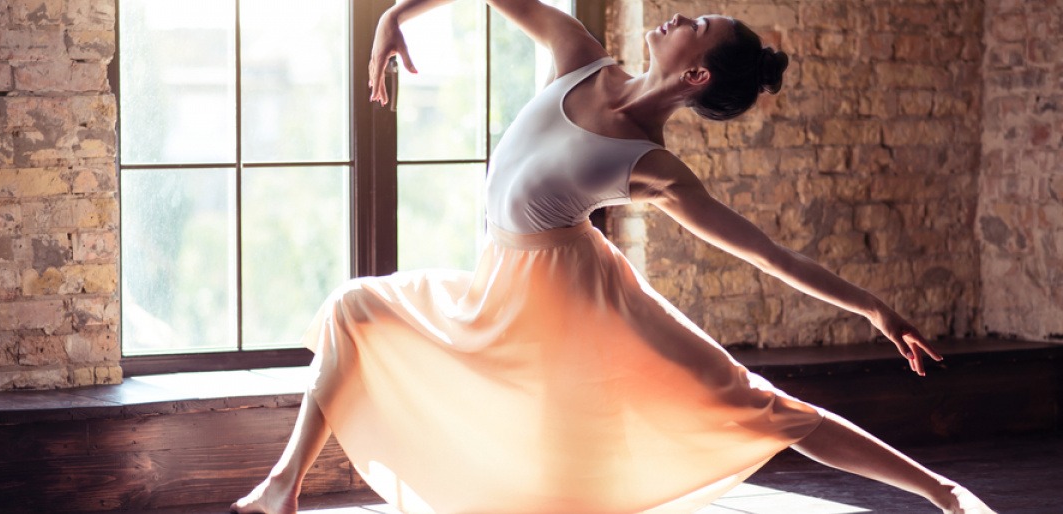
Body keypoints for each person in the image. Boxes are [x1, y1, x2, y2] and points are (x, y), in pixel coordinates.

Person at [232, 1, 997, 513]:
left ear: (696, 75)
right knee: (351, 308)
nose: (675, 15)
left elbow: (767, 254)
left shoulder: (651, 166)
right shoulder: (580, 57)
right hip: (501, 287)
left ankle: (940, 492)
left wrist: (873, 308)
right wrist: (398, 13)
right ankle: (282, 487)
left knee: (757, 406)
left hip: (579, 301)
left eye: (695, 22)